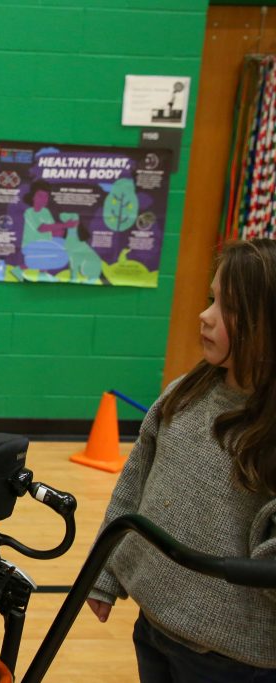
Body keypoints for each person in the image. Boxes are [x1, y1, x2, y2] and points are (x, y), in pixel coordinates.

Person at [86, 238, 276, 682]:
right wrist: (105, 572)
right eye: (212, 299)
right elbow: (134, 485)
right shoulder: (184, 395)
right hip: (156, 625)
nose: (205, 316)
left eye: (226, 307)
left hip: (234, 658)